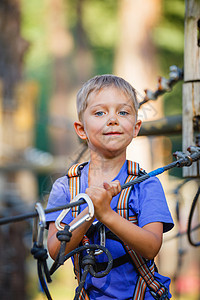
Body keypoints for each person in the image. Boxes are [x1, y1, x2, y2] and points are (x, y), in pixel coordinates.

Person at [46, 74, 174, 299]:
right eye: (99, 113)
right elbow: (57, 252)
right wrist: (89, 212)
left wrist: (106, 213)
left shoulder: (146, 185)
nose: (113, 119)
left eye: (122, 112)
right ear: (81, 129)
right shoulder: (66, 187)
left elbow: (151, 246)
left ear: (135, 128)